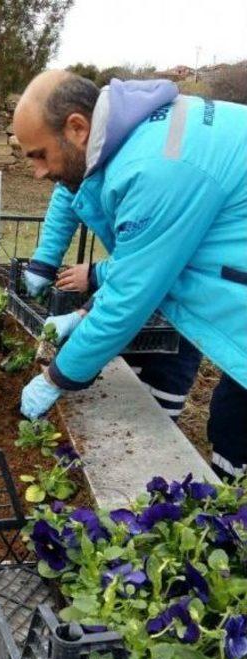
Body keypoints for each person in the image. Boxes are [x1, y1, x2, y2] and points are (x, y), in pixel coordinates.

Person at [13, 71, 247, 480]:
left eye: (39, 155)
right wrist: (83, 314)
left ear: (77, 128)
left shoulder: (155, 170)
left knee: (237, 428)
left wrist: (55, 378)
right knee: (233, 421)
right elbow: (152, 260)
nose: (36, 172)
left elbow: (129, 300)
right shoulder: (137, 138)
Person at [23, 183, 203, 422]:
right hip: (139, 301)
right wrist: (44, 262)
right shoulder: (96, 160)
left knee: (159, 413)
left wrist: (54, 379)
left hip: (181, 315)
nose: (38, 174)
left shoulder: (161, 181)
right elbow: (68, 191)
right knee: (127, 400)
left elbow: (148, 262)